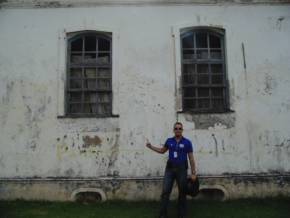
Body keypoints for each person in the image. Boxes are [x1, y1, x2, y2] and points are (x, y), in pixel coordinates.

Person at [146, 122, 197, 218]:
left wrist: (193, 173)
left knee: (182, 192)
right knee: (165, 191)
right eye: (176, 128)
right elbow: (162, 151)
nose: (178, 130)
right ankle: (163, 214)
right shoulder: (169, 141)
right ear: (174, 130)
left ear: (182, 130)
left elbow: (191, 158)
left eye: (180, 128)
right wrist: (150, 146)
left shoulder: (187, 142)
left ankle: (181, 214)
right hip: (169, 169)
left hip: (182, 169)